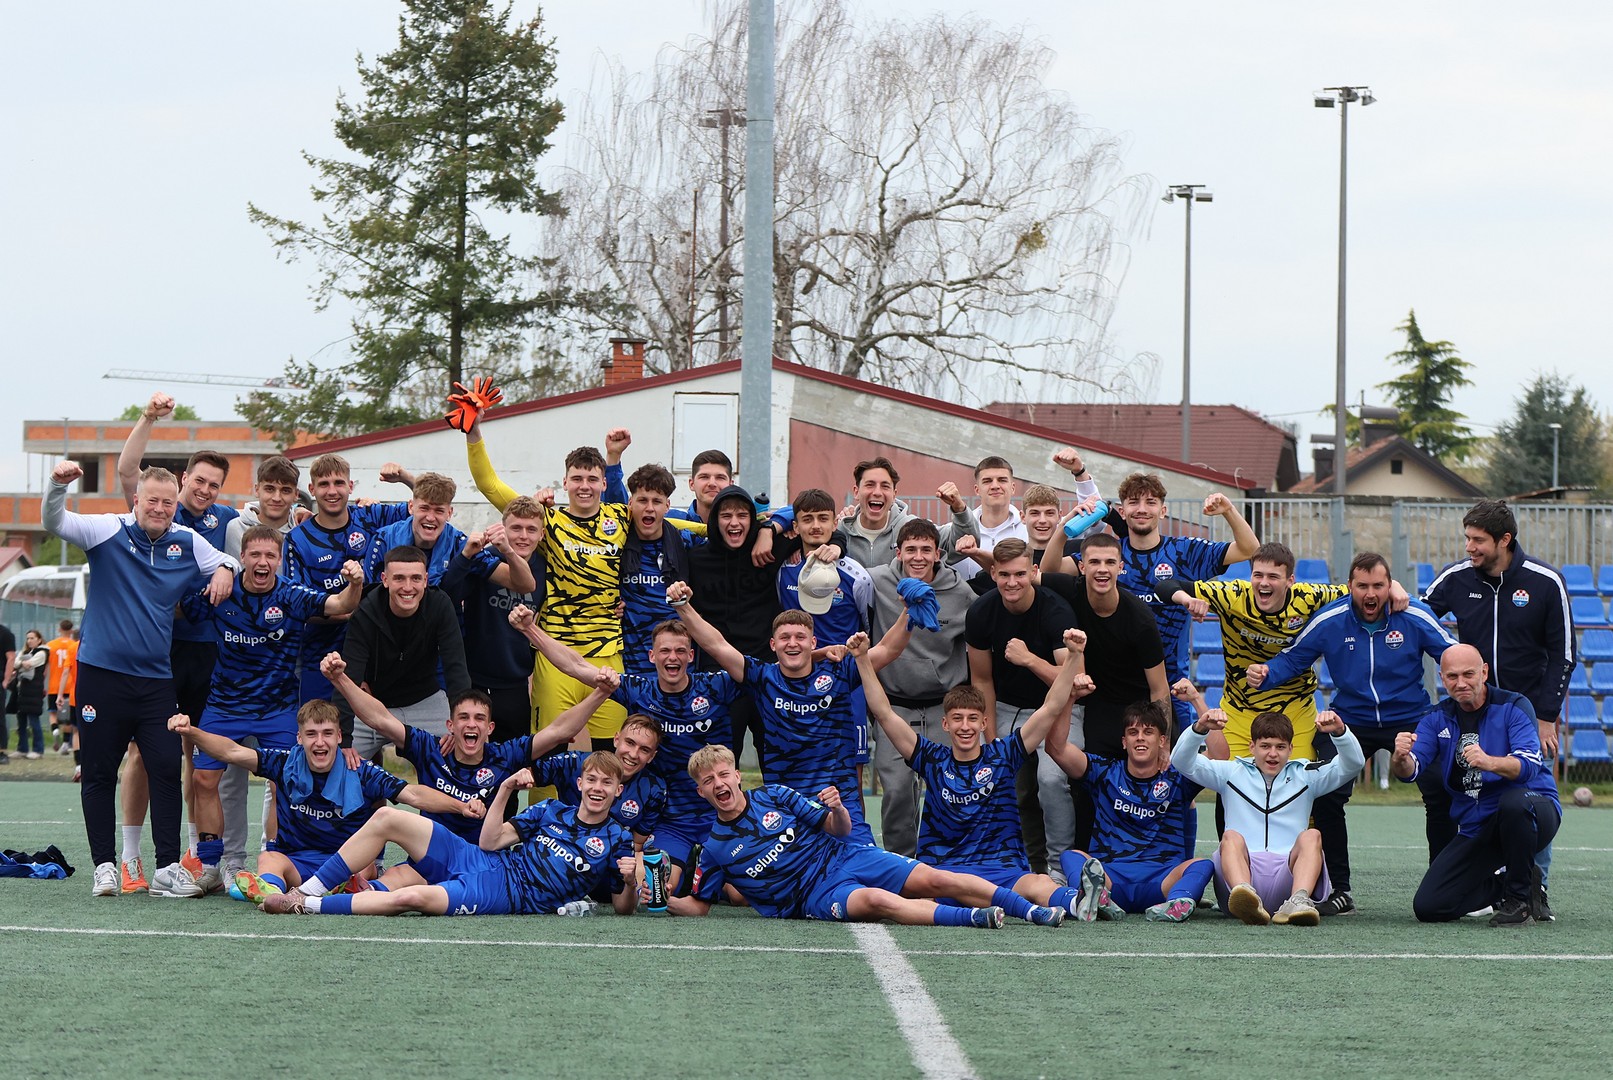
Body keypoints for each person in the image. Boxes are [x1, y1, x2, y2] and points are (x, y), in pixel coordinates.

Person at [43, 460, 237, 898]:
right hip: (101, 675)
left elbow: (228, 561)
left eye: (168, 503)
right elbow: (54, 522)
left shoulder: (186, 540)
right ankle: (105, 867)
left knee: (166, 767)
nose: (160, 509)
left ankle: (167, 867)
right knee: (99, 772)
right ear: (136, 500)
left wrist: (226, 568)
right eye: (152, 500)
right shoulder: (106, 530)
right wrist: (57, 485)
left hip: (155, 679)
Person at [1248, 551, 1456, 916]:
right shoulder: (1330, 619)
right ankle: (1339, 891)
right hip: (1350, 720)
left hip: (1410, 717)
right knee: (1326, 795)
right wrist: (1266, 673)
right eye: (1362, 586)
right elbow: (1294, 657)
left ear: (1390, 586)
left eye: (1378, 585)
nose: (1370, 593)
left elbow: (1454, 654)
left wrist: (1469, 691)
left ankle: (1445, 887)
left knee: (1440, 789)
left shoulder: (1413, 615)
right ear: (1350, 587)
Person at [662, 746, 1064, 928]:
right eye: (708, 780)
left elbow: (839, 829)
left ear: (736, 775)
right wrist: (661, 899)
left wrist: (838, 809)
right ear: (700, 791)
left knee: (935, 878)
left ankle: (1029, 911)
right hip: (813, 896)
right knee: (876, 901)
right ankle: (974, 918)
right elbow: (699, 907)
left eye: (723, 774)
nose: (718, 784)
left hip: (844, 856)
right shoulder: (713, 848)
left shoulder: (775, 795)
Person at [321, 652, 613, 894]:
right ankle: (333, 893)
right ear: (450, 726)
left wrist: (602, 692)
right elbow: (380, 718)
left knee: (425, 892)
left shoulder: (506, 754)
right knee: (386, 886)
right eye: (463, 717)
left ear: (490, 728)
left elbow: (559, 730)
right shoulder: (431, 748)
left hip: (481, 864)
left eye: (479, 719)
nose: (471, 724)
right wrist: (340, 679)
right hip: (429, 857)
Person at [175, 527, 365, 891]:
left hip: (276, 709)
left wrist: (355, 583)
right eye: (255, 555)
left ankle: (275, 861)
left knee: (285, 783)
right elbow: (177, 610)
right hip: (224, 706)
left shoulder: (291, 595)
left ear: (279, 560)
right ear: (242, 557)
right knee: (203, 779)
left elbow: (341, 606)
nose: (262, 562)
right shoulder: (222, 592)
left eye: (270, 556)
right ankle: (211, 866)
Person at [859, 625, 1093, 917]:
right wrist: (862, 660)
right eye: (957, 719)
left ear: (984, 723)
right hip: (946, 875)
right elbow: (883, 713)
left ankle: (1079, 902)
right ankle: (987, 911)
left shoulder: (1003, 755)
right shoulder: (932, 759)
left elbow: (1051, 708)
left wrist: (1073, 656)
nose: (965, 726)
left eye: (972, 719)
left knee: (1039, 883)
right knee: (907, 895)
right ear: (945, 724)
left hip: (1001, 870)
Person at [1422, 498, 1573, 919]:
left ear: (1504, 540)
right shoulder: (1456, 578)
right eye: (1467, 538)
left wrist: (1546, 716)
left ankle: (1535, 887)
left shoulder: (1546, 581)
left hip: (1525, 716)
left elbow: (1563, 655)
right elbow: (1419, 616)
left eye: (1478, 540)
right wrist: (1400, 595)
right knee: (1471, 793)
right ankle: (1482, 880)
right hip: (1472, 710)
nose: (1469, 547)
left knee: (1526, 797)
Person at [669, 580, 908, 846]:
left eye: (800, 637)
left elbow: (888, 649)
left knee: (866, 866)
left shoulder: (839, 671)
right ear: (773, 644)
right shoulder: (763, 677)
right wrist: (683, 606)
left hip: (838, 802)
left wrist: (910, 610)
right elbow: (717, 645)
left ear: (813, 642)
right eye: (785, 638)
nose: (792, 643)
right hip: (785, 808)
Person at [259, 752, 638, 917]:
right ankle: (305, 891)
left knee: (411, 897)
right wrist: (506, 788)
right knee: (388, 817)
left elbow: (623, 908)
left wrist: (630, 880)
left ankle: (307, 907)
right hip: (481, 858)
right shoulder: (551, 809)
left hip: (503, 895)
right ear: (579, 783)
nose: (598, 788)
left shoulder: (617, 837)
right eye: (592, 780)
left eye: (607, 783)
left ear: (618, 790)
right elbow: (490, 842)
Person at [114, 394, 241, 891]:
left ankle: (191, 855)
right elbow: (128, 470)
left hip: (207, 653)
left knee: (195, 753)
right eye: (200, 481)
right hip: (158, 651)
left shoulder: (226, 519)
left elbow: (266, 531)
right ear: (184, 478)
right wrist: (147, 417)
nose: (205, 490)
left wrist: (228, 566)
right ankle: (130, 857)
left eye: (215, 484)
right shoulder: (158, 511)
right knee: (144, 754)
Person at [169, 702, 476, 895]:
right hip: (297, 860)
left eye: (327, 733)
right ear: (299, 738)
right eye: (312, 734)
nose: (320, 742)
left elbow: (414, 794)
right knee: (268, 859)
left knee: (365, 868)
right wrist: (191, 732)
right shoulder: (284, 762)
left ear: (339, 737)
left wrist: (462, 805)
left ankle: (340, 889)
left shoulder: (361, 770)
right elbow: (231, 751)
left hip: (346, 862)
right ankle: (270, 893)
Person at [1045, 475, 1257, 736]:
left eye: (1151, 502)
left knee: (1169, 759)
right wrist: (1064, 526)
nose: (1142, 509)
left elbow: (1248, 549)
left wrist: (1229, 510)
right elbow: (1050, 570)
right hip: (1112, 690)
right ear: (1122, 511)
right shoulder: (1108, 556)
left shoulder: (1184, 552)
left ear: (1163, 510)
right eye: (1134, 502)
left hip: (1170, 687)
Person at [1393, 644, 1561, 927]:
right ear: (1442, 679)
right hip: (1477, 826)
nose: (1460, 683)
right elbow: (1411, 770)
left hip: (1533, 812)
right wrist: (1400, 758)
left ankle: (1518, 900)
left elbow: (1529, 765)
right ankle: (1512, 885)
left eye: (1468, 674)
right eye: (1452, 676)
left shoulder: (1514, 706)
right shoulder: (1436, 718)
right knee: (1429, 906)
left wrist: (1489, 762)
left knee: (1514, 803)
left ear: (1484, 672)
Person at [1170, 693, 1364, 926]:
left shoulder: (1306, 776)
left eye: (1280, 747)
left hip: (1287, 877)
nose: (1273, 754)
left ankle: (1298, 901)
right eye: (1265, 746)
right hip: (1240, 876)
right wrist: (1199, 729)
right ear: (1252, 747)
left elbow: (1353, 765)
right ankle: (1246, 896)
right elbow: (1181, 761)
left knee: (1312, 835)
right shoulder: (1231, 773)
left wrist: (1340, 733)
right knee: (1230, 837)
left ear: (1291, 749)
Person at [684, 483, 839, 760]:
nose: (734, 522)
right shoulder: (695, 559)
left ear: (751, 519)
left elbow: (813, 523)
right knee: (720, 760)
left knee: (777, 756)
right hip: (718, 672)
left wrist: (768, 530)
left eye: (742, 515)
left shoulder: (768, 550)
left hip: (767, 670)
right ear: (715, 520)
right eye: (726, 515)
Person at [1152, 542, 1347, 761]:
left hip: (1296, 708)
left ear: (1290, 581)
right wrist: (1187, 599)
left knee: (1297, 777)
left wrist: (1391, 589)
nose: (1264, 583)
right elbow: (1164, 586)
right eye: (1258, 575)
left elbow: (1358, 593)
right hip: (1240, 708)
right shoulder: (1232, 595)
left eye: (1273, 576)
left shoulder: (1310, 598)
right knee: (1227, 776)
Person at [1042, 700, 1214, 922]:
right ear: (1124, 742)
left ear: (1162, 740)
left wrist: (1200, 708)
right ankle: (1097, 898)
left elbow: (1220, 755)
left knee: (1203, 864)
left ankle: (1176, 902)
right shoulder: (1104, 772)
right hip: (1111, 880)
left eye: (1148, 732)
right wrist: (1069, 699)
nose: (1140, 737)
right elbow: (1055, 748)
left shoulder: (1178, 776)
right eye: (1133, 732)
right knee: (1071, 856)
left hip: (1161, 881)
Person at [866, 518, 978, 857]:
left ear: (938, 554)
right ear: (898, 552)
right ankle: (901, 862)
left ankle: (951, 860)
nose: (918, 557)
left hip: (944, 704)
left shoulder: (960, 592)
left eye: (926, 550)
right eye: (911, 549)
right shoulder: (876, 582)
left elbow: (980, 638)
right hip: (894, 705)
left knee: (952, 787)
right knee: (898, 789)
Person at [964, 538, 1077, 874]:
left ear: (1034, 571)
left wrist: (1029, 660)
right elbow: (981, 680)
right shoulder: (981, 611)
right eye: (1004, 575)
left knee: (1051, 779)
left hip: (1057, 707)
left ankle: (1059, 869)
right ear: (993, 574)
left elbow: (1072, 680)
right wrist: (990, 740)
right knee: (992, 775)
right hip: (1005, 706)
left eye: (1019, 574)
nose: (1012, 582)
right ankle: (1009, 863)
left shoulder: (1056, 610)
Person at [283, 452, 416, 702]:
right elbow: (296, 606)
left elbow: (426, 508)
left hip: (376, 652)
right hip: (323, 655)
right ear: (312, 489)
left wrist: (406, 478)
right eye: (324, 484)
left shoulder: (369, 516)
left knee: (379, 722)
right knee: (321, 723)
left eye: (339, 483)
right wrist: (347, 612)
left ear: (351, 486)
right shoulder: (297, 540)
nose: (332, 491)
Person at [340, 546, 472, 758]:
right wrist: (344, 739)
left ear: (426, 580)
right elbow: (348, 677)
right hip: (373, 705)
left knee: (464, 751)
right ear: (385, 580)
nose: (408, 587)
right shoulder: (366, 610)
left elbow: (456, 669)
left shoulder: (440, 605)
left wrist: (460, 724)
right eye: (399, 578)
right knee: (338, 759)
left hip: (425, 701)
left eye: (415, 578)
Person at [439, 501, 545, 742]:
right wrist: (465, 556)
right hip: (473, 677)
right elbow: (448, 597)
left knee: (512, 752)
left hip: (514, 680)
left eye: (531, 529)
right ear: (503, 529)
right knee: (464, 749)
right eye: (516, 528)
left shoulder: (545, 567)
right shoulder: (487, 559)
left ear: (541, 534)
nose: (523, 536)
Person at [615, 464, 695, 677]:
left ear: (667, 506)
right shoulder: (616, 543)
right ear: (630, 503)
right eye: (642, 500)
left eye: (657, 501)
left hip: (679, 668)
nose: (649, 508)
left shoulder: (685, 542)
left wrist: (769, 530)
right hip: (632, 669)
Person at [838, 456, 978, 570]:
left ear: (894, 494)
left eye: (885, 486)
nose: (877, 492)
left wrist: (959, 508)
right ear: (856, 492)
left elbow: (960, 544)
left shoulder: (910, 527)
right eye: (870, 485)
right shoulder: (840, 532)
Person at [360, 472, 468, 584]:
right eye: (424, 508)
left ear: (449, 513)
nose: (430, 518)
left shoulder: (460, 545)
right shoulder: (384, 540)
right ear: (411, 507)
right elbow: (370, 590)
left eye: (439, 511)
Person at [222, 456, 304, 558]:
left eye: (285, 490)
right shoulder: (235, 529)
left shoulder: (304, 532)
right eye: (269, 489)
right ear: (257, 490)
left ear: (296, 494)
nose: (277, 498)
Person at [664, 448, 734, 526]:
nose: (712, 483)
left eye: (720, 477)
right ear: (692, 484)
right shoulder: (667, 522)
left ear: (731, 485)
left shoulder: (740, 527)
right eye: (704, 477)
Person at [8, 630, 48, 758]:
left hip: (33, 691)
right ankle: (22, 748)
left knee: (34, 720)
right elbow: (15, 663)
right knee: (21, 721)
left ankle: (38, 749)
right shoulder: (24, 652)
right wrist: (21, 664)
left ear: (39, 640)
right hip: (21, 690)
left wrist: (20, 664)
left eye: (32, 638)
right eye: (28, 638)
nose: (29, 641)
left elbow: (30, 664)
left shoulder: (42, 652)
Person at [44, 620, 79, 769]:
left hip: (55, 685)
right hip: (72, 686)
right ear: (71, 631)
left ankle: (55, 729)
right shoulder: (75, 645)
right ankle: (65, 742)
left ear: (59, 629)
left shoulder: (51, 645)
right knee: (70, 720)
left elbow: (46, 667)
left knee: (53, 713)